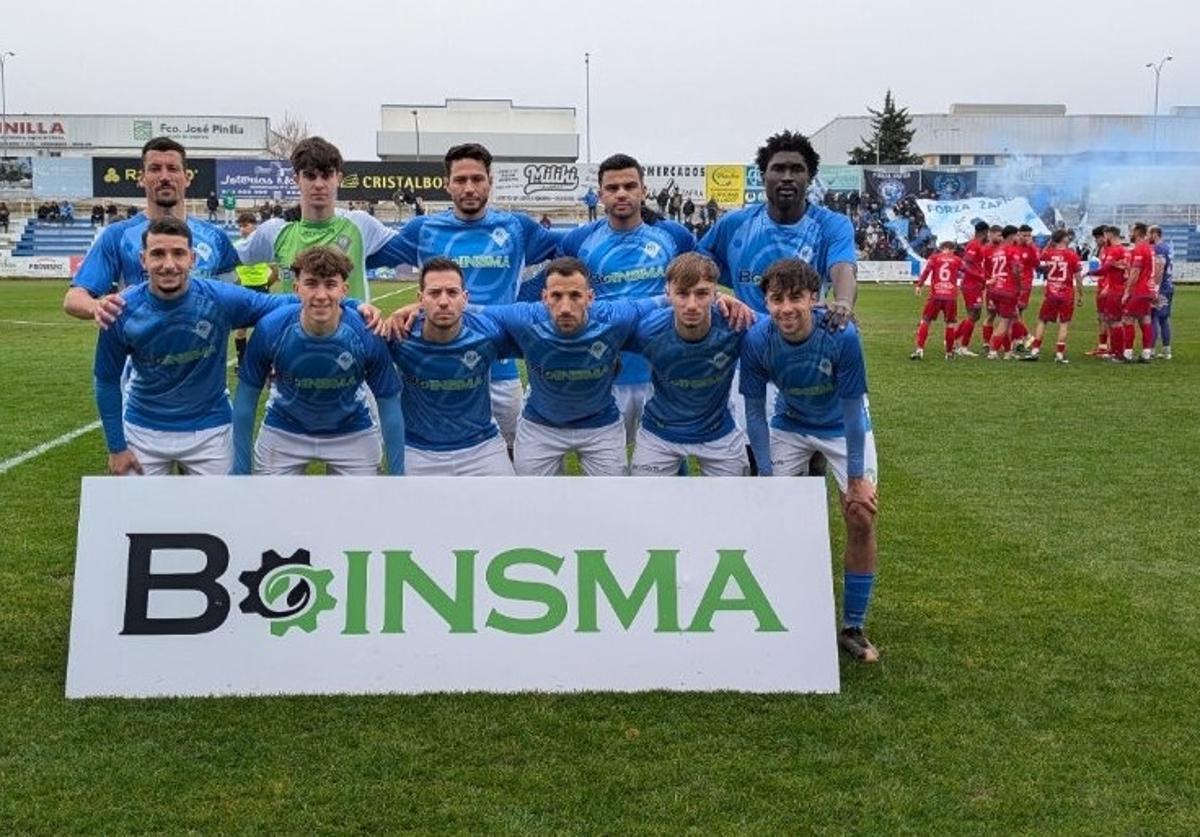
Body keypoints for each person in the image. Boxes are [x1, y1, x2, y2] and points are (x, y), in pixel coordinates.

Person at [92, 217, 357, 476]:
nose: (169, 264)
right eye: (158, 254)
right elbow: (105, 380)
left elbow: (290, 301)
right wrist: (117, 447)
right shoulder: (121, 310)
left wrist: (355, 306)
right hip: (143, 429)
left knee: (222, 506)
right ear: (143, 260)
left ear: (192, 258)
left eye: (178, 254)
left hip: (211, 429)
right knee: (140, 507)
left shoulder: (219, 298)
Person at [366, 142, 563, 450]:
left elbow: (571, 250)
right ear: (447, 184)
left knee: (512, 453)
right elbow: (358, 258)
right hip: (437, 368)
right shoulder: (424, 229)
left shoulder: (517, 227)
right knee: (433, 453)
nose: (469, 187)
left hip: (500, 369)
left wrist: (526, 297)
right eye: (460, 180)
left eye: (477, 179)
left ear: (490, 182)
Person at [739, 258, 879, 663]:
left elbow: (852, 409)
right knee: (774, 515)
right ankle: (782, 608)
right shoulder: (757, 340)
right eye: (776, 299)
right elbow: (754, 413)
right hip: (790, 424)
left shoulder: (841, 334)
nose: (786, 309)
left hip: (841, 426)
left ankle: (852, 627)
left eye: (796, 298)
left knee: (861, 515)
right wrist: (766, 474)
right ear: (766, 302)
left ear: (814, 298)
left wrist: (856, 478)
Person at [698, 129, 856, 472]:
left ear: (809, 177)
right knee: (754, 458)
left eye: (796, 169)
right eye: (778, 168)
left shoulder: (831, 224)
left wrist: (843, 302)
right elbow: (698, 264)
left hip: (807, 353)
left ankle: (808, 507)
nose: (787, 176)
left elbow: (843, 266)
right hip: (750, 354)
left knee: (811, 458)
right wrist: (717, 294)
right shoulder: (736, 223)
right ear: (763, 175)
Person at [554, 153, 695, 447]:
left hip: (662, 369)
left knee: (668, 456)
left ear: (644, 191)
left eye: (630, 186)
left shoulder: (674, 236)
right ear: (600, 195)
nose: (621, 193)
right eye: (612, 187)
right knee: (607, 461)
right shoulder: (578, 241)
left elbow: (699, 285)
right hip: (604, 369)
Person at [232, 246, 405, 476]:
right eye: (311, 284)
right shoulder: (270, 328)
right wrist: (241, 467)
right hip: (284, 429)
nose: (321, 295)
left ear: (344, 290)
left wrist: (398, 475)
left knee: (362, 500)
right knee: (270, 500)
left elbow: (389, 402)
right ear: (297, 288)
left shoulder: (367, 333)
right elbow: (246, 397)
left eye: (330, 284)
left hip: (352, 431)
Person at [64, 136, 240, 323]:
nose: (164, 177)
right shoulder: (118, 235)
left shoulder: (215, 237)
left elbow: (234, 292)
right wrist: (97, 306)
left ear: (187, 178)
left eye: (172, 169)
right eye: (155, 169)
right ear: (141, 178)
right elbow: (74, 298)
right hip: (139, 340)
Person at [387, 258, 517, 475]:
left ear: (465, 299)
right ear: (420, 300)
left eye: (452, 292)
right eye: (434, 293)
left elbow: (537, 337)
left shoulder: (489, 334)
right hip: (418, 450)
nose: (444, 301)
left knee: (510, 497)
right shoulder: (399, 337)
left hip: (482, 446)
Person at [628, 253, 751, 476]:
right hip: (659, 433)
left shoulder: (735, 323)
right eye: (682, 294)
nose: (692, 305)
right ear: (668, 293)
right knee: (645, 498)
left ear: (715, 293)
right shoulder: (648, 330)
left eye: (702, 293)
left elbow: (779, 324)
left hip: (719, 432)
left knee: (733, 499)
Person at [235, 137, 397, 302]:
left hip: (353, 320)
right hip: (296, 320)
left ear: (338, 178)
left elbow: (410, 247)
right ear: (297, 180)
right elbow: (230, 256)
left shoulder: (361, 224)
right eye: (310, 176)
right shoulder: (275, 230)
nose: (319, 184)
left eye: (326, 175)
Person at [1022, 230, 1082, 363]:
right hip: (1066, 294)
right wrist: (1081, 294)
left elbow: (1039, 259)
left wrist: (1049, 244)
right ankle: (1059, 354)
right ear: (1064, 239)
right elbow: (1078, 276)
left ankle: (1035, 350)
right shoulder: (1072, 255)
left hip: (1051, 293)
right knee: (1064, 323)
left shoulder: (1048, 253)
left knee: (1042, 321)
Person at [232, 212, 279, 370]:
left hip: (261, 292)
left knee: (266, 328)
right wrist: (238, 285)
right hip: (243, 293)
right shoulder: (236, 247)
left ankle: (267, 363)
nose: (242, 229)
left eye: (245, 225)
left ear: (255, 226)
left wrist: (265, 285)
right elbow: (231, 273)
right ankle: (241, 363)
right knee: (241, 330)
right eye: (240, 226)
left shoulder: (263, 247)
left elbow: (275, 271)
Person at [910, 239, 963, 360]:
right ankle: (949, 353)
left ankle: (919, 350)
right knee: (950, 324)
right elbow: (967, 271)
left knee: (925, 321)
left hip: (936, 295)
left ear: (942, 248)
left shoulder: (934, 258)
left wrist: (919, 285)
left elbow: (926, 271)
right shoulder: (957, 260)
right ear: (952, 249)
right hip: (950, 296)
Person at [985, 226, 1025, 360]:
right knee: (1005, 321)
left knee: (1008, 318)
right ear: (1012, 236)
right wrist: (1019, 286)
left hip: (995, 288)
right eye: (1017, 235)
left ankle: (1008, 351)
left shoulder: (997, 250)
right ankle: (993, 351)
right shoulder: (1012, 250)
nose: (1019, 238)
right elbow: (1016, 270)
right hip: (1007, 289)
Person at [1121, 222, 1158, 363]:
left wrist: (1127, 292)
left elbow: (1135, 272)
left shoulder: (1140, 248)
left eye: (1131, 230)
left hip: (1139, 290)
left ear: (1137, 232)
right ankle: (1146, 353)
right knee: (1145, 320)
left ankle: (1128, 353)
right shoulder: (1149, 248)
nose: (1129, 233)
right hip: (1148, 289)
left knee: (1128, 318)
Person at [1092, 226, 1129, 362]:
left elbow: (1105, 269)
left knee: (1115, 321)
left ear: (1109, 235)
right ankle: (1114, 350)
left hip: (1115, 289)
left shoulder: (1115, 250)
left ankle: (1119, 353)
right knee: (1109, 320)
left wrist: (1088, 273)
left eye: (1105, 235)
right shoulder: (1118, 249)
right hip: (1113, 288)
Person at [955, 221, 991, 355]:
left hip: (975, 284)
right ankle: (963, 347)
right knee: (973, 314)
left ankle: (954, 339)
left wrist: (985, 277)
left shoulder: (977, 245)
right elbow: (966, 264)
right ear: (985, 232)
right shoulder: (974, 245)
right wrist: (981, 277)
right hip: (971, 285)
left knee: (976, 315)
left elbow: (976, 265)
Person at [1148, 225, 1173, 359]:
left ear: (1155, 234)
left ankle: (1151, 350)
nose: (1148, 237)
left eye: (1149, 234)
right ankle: (1166, 351)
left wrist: (1155, 289)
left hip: (1161, 287)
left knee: (1153, 317)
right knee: (1164, 318)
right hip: (1169, 285)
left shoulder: (1159, 248)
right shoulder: (1167, 247)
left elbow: (1159, 269)